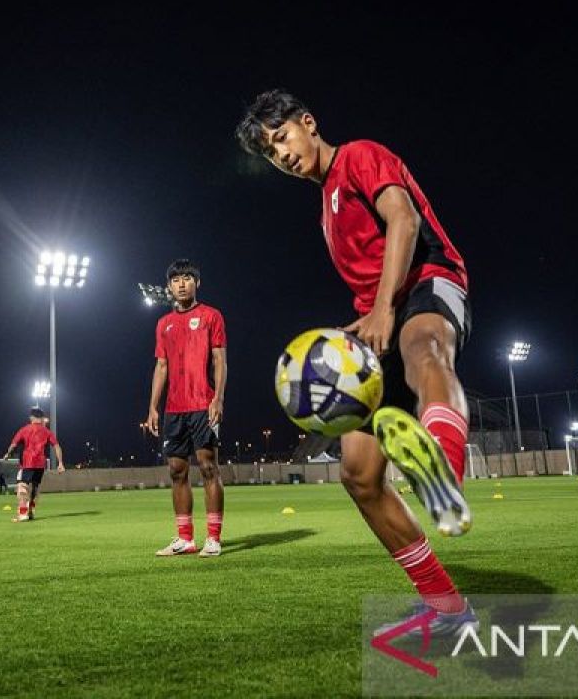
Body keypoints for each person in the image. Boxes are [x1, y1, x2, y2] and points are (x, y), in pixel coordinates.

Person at [236, 90, 474, 634]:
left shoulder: (359, 156)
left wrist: (386, 308)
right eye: (271, 153)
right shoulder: (325, 208)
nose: (282, 154)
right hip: (375, 317)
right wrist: (363, 327)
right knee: (360, 475)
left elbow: (405, 221)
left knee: (424, 349)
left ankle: (446, 470)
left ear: (308, 122)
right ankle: (448, 609)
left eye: (283, 137)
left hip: (426, 281)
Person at [140, 259, 227, 557]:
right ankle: (185, 538)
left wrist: (218, 398)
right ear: (168, 287)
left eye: (187, 278)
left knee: (208, 466)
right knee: (177, 470)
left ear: (197, 283)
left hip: (203, 402)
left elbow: (219, 360)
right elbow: (161, 366)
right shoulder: (163, 324)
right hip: (174, 409)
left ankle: (213, 538)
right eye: (175, 279)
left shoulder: (211, 316)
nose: (181, 283)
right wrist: (153, 407)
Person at [4, 407, 64, 521]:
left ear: (31, 417)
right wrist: (60, 463)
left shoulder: (24, 429)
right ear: (41, 418)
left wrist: (8, 453)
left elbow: (14, 444)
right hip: (40, 465)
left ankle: (22, 514)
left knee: (22, 487)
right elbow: (56, 446)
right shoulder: (47, 432)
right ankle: (31, 512)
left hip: (28, 463)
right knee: (35, 489)